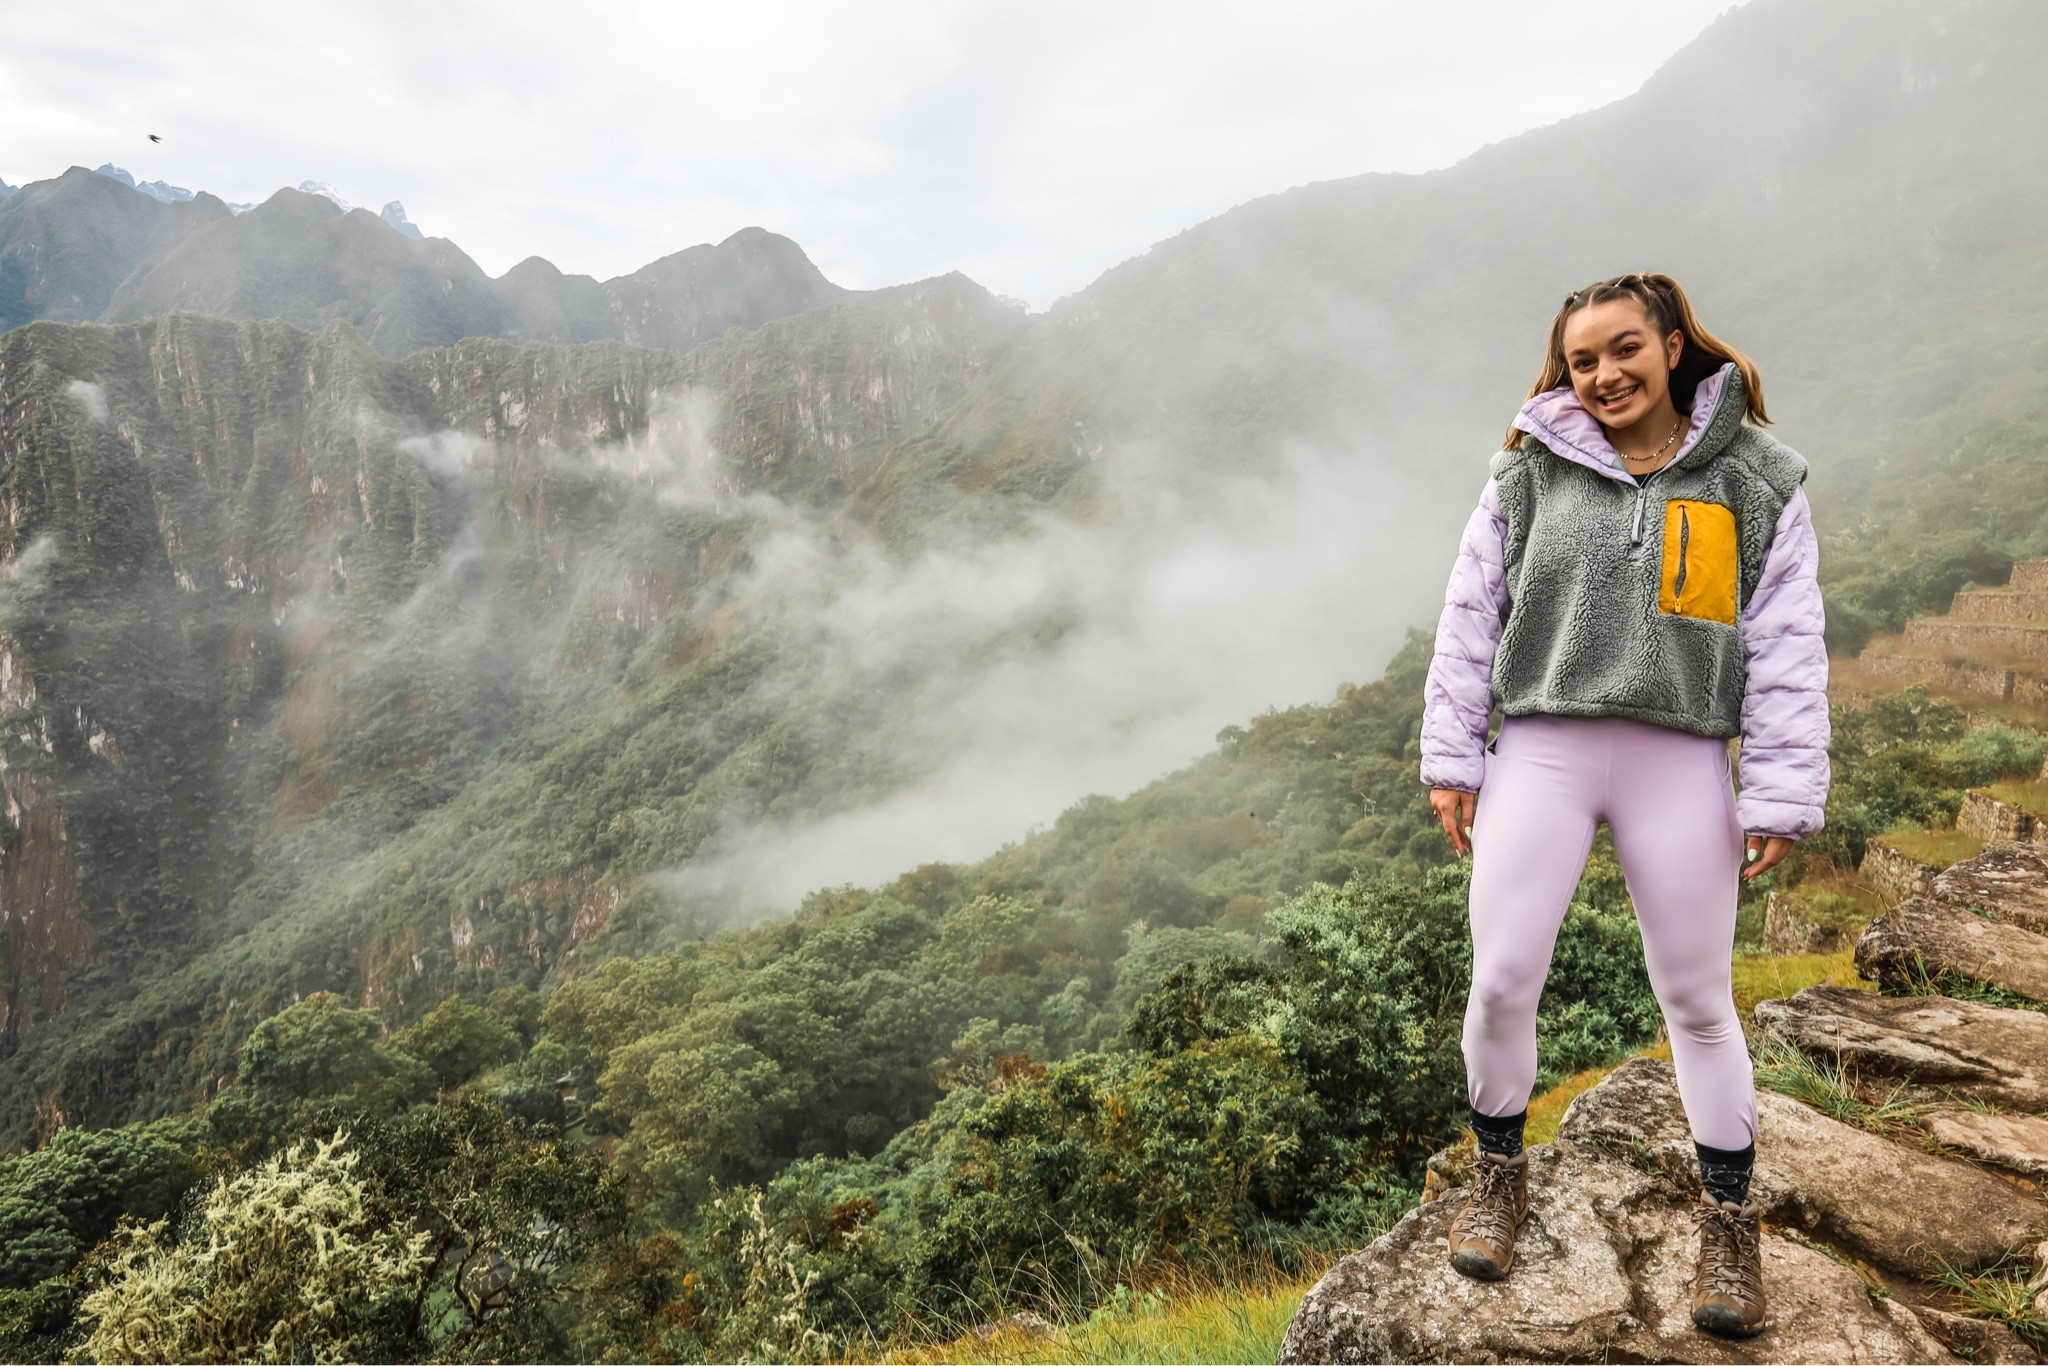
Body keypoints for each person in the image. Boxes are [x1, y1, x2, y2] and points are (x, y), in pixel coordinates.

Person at [1417, 272, 1829, 1339]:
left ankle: (1728, 1225)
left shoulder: (1755, 480)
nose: (1601, 373)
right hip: (1541, 749)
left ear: (1671, 347)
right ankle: (1497, 1175)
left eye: (1621, 350)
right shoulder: (1527, 476)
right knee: (1503, 973)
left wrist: (1777, 787)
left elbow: (1784, 642)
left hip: (1679, 756)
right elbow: (1470, 614)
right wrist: (1451, 757)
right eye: (1581, 358)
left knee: (1695, 999)